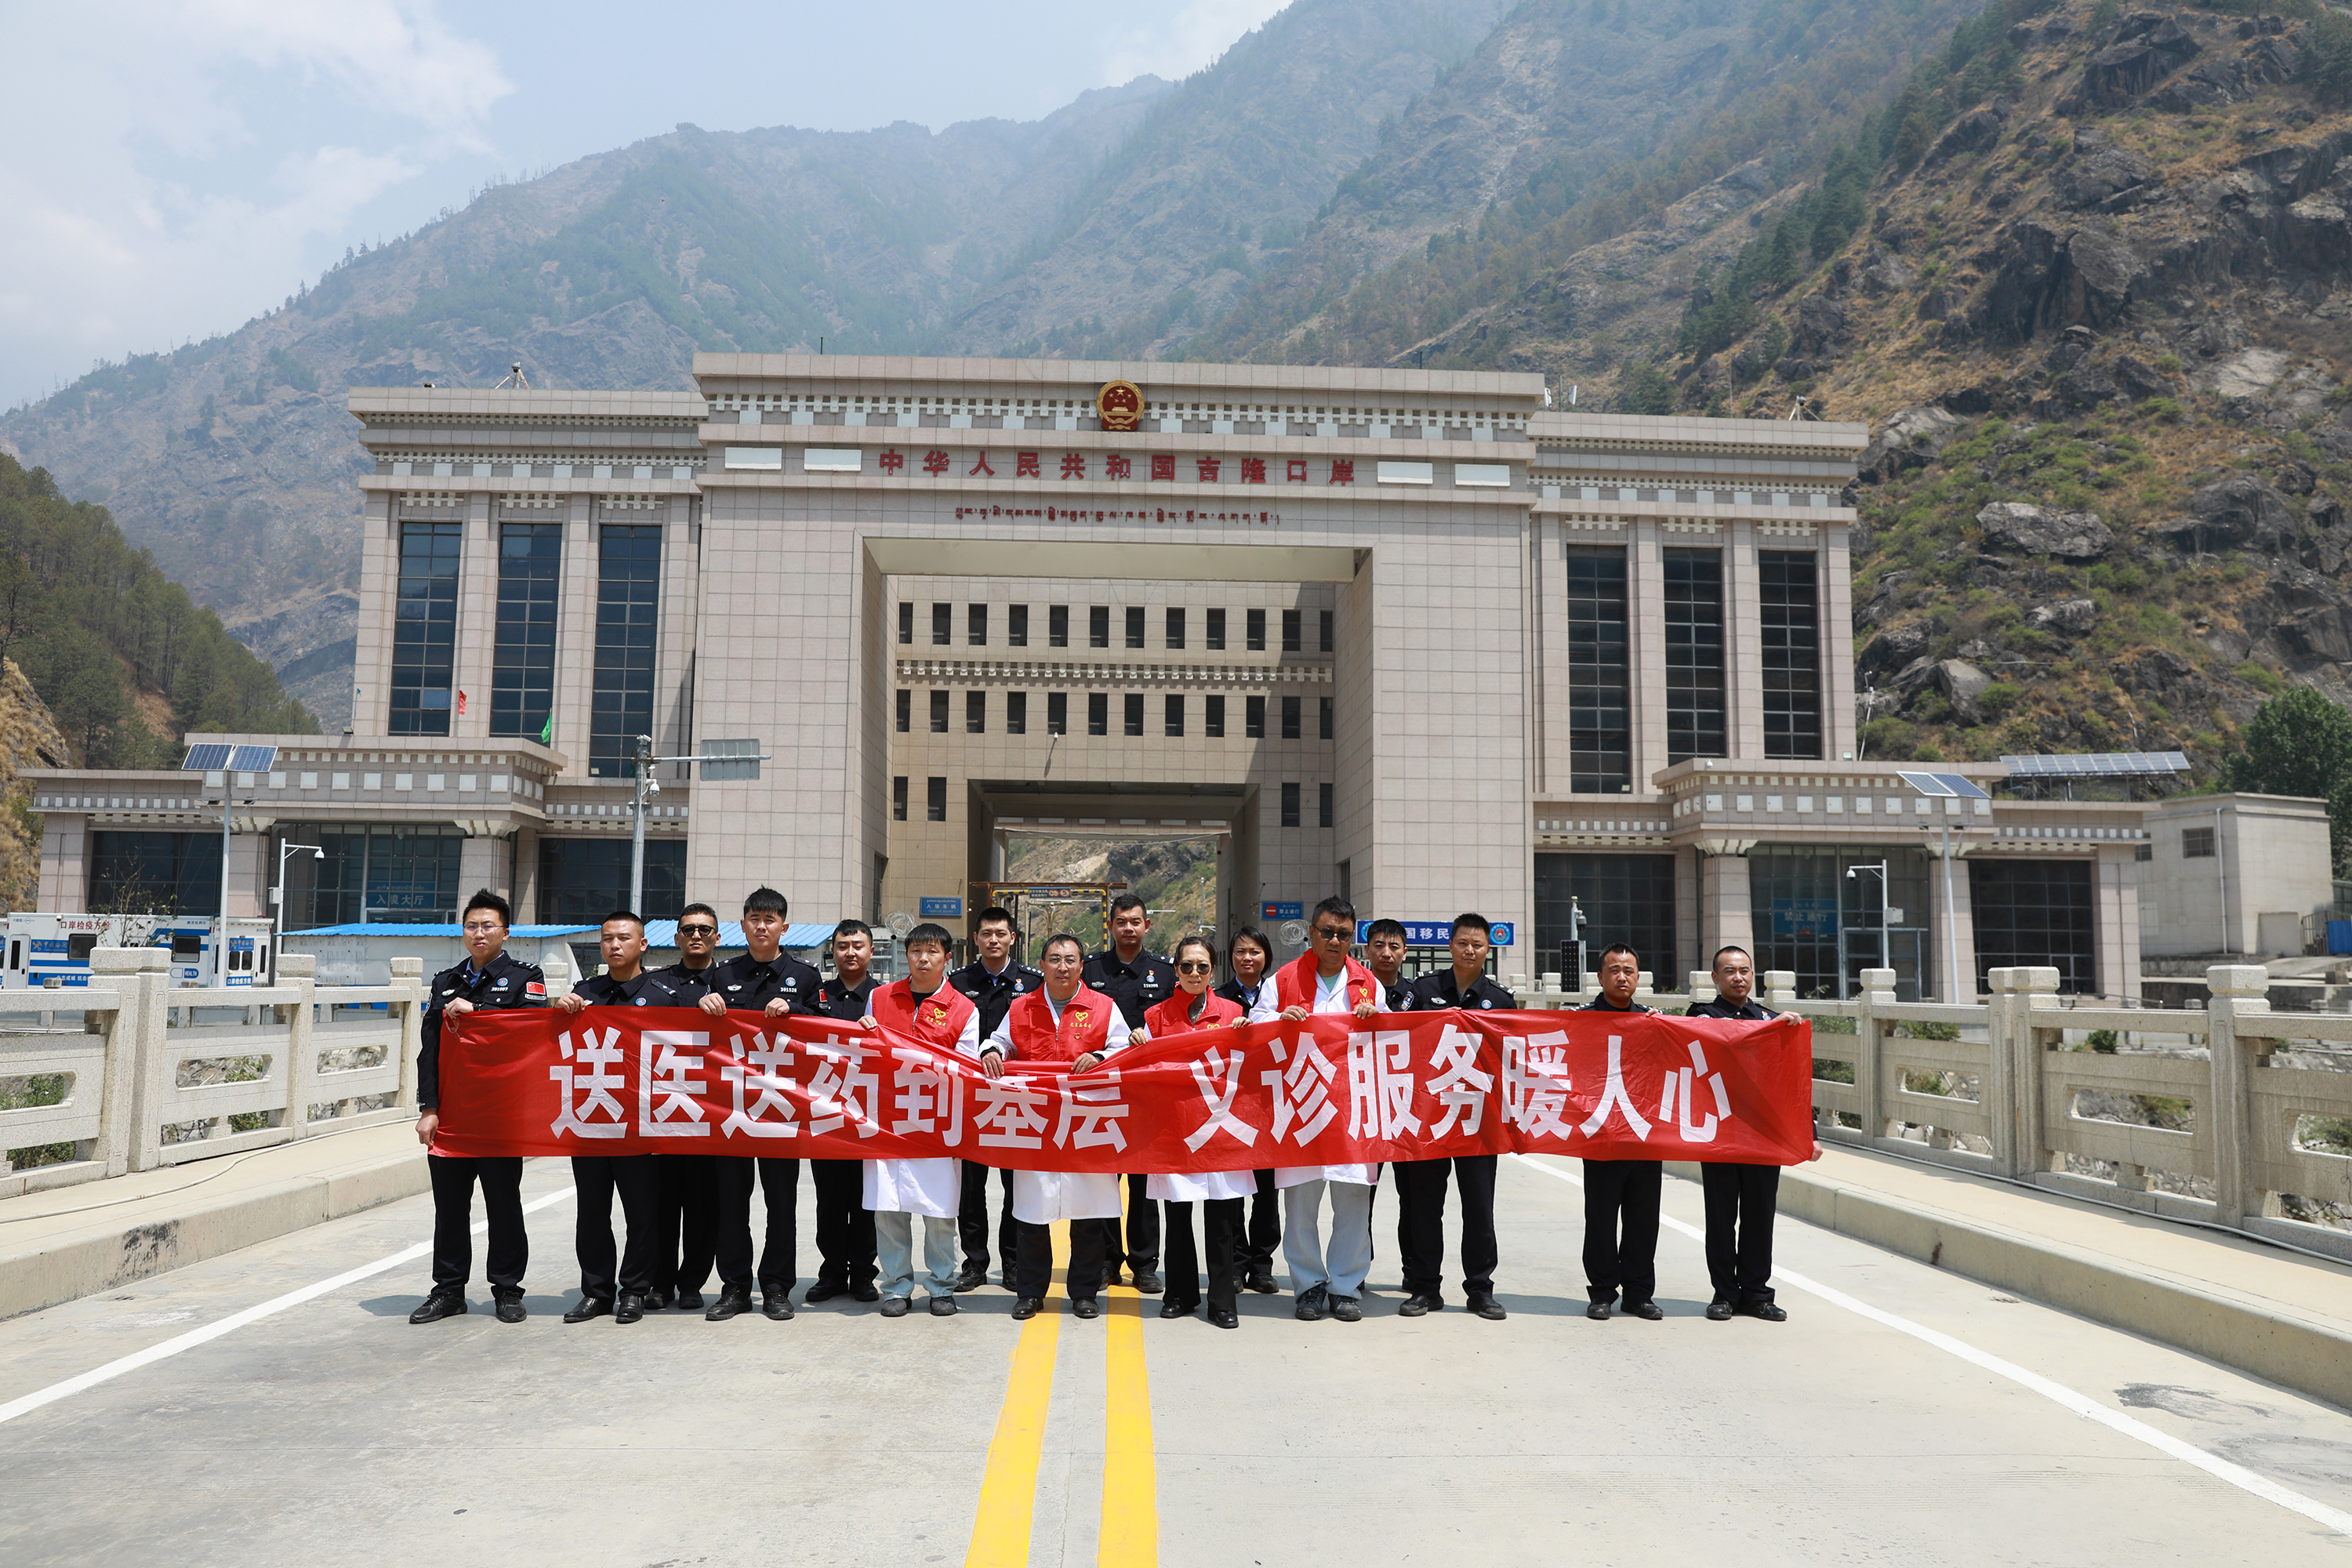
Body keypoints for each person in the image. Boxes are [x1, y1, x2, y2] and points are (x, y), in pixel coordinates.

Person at [409, 889, 546, 1326]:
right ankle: (448, 1291)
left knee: (504, 1205)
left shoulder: (526, 977)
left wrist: (481, 1010)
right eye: (472, 926)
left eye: (488, 926)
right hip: (453, 1114)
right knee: (450, 1209)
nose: (479, 933)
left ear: (506, 932)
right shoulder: (445, 981)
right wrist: (429, 1108)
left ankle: (507, 1290)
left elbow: (532, 1032)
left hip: (501, 1115)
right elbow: (430, 1049)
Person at [551, 910, 694, 1324]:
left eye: (624, 938)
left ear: (642, 945)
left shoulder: (665, 995)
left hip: (642, 1125)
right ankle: (596, 1292)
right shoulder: (584, 994)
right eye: (607, 938)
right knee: (592, 1212)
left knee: (643, 1214)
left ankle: (635, 1290)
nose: (615, 945)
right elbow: (555, 1046)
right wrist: (558, 1010)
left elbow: (688, 1054)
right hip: (592, 1120)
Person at [1250, 895, 1383, 1323]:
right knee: (1301, 1205)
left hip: (1351, 1109)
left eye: (1343, 934)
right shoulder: (1284, 979)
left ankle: (1345, 1287)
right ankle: (1308, 1285)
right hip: (1301, 1107)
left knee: (1353, 1203)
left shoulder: (1367, 983)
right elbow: (1253, 1025)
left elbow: (1390, 1036)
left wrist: (1375, 1017)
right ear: (1311, 933)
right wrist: (1279, 1019)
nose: (1334, 940)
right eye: (1327, 932)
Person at [984, 932, 1129, 1322]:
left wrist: (1099, 1055)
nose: (1062, 967)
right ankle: (1031, 1292)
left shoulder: (1104, 1007)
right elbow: (999, 1042)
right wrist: (993, 1051)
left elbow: (1123, 1049)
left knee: (1089, 1215)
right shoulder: (1022, 1006)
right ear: (1042, 965)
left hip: (1087, 1124)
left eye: (1070, 960)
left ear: (1081, 966)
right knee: (1032, 1213)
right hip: (1037, 1124)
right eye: (1054, 959)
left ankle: (1084, 1292)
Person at [694, 886, 822, 1323]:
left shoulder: (805, 976)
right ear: (743, 924)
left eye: (770, 920)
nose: (762, 926)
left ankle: (777, 1287)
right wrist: (703, 1004)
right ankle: (734, 1288)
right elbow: (699, 1035)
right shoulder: (722, 974)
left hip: (782, 1109)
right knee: (731, 1203)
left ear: (784, 927)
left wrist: (797, 1008)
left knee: (781, 1203)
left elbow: (826, 1031)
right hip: (729, 1108)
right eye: (754, 919)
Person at [1686, 945, 1820, 1323]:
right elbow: (1721, 1038)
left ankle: (1757, 1295)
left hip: (1763, 1134)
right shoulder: (1702, 1015)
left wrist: (1808, 1132)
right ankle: (1724, 1294)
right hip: (1720, 1133)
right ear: (1715, 978)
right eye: (1729, 971)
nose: (1738, 978)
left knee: (1760, 1216)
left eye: (1744, 970)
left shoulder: (1771, 1019)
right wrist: (1769, 1028)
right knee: (1721, 1216)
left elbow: (1793, 1081)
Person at [859, 923, 982, 1317]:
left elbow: (966, 1068)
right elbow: (864, 1055)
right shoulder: (880, 997)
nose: (923, 959)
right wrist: (863, 1033)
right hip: (887, 1121)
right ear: (906, 955)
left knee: (939, 1212)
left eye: (932, 952)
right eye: (916, 951)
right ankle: (896, 1287)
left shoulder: (964, 1009)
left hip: (936, 1124)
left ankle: (942, 1286)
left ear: (948, 958)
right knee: (888, 1210)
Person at [1396, 913, 1512, 1321]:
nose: (1469, 950)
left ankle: (1480, 1290)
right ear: (1450, 945)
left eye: (1477, 944)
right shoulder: (1423, 990)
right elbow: (1397, 1037)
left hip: (1479, 1121)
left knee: (1479, 1208)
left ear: (1487, 950)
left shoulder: (1500, 1000)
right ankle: (1425, 1288)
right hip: (1429, 1119)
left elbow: (1512, 1058)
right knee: (1426, 1207)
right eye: (1462, 943)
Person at [1131, 935, 1250, 1328]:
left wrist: (1248, 1033)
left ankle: (1223, 1302)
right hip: (1175, 1129)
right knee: (1177, 1217)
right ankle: (1180, 1294)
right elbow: (1142, 1067)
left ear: (1213, 971)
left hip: (1219, 1129)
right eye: (1187, 966)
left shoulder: (1234, 1012)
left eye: (1202, 966)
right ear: (1176, 971)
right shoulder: (1156, 1017)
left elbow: (1252, 1064)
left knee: (1222, 1222)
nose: (1194, 973)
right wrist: (1137, 1042)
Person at [1083, 894, 1172, 1294]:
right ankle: (1106, 1260)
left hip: (1148, 1093)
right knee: (1103, 1179)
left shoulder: (1165, 973)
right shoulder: (1090, 970)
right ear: (1111, 926)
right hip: (1100, 1091)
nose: (1129, 928)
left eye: (1135, 921)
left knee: (1143, 1182)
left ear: (1147, 925)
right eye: (1121, 922)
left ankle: (1144, 1263)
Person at [948, 906, 1038, 1292]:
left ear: (1012, 938)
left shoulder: (1033, 983)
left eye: (1001, 933)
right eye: (986, 934)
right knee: (971, 1187)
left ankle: (1013, 1262)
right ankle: (975, 1263)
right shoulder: (957, 982)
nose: (994, 940)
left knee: (1016, 1184)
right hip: (969, 1098)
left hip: (1018, 1100)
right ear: (976, 938)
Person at [647, 903, 724, 1315]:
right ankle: (659, 1283)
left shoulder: (731, 982)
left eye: (704, 930)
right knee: (661, 1204)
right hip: (662, 1110)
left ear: (717, 937)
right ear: (677, 937)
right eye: (689, 929)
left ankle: (692, 1282)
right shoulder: (654, 983)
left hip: (712, 1113)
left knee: (702, 1205)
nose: (696, 935)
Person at [1581, 943, 1663, 1323]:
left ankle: (1638, 1294)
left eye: (1628, 971)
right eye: (1614, 970)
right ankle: (1601, 1293)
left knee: (1643, 1219)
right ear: (1600, 977)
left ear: (1638, 977)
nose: (1621, 977)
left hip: (1643, 1136)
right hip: (1601, 1136)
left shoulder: (1653, 1022)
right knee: (1600, 1219)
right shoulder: (1581, 1021)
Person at [804, 919, 883, 1304]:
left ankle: (864, 1274)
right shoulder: (815, 996)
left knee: (866, 1199)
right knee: (830, 1199)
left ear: (871, 951)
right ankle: (832, 1272)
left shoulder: (884, 999)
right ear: (832, 951)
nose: (850, 952)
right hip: (825, 1113)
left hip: (871, 1116)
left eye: (858, 945)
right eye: (842, 946)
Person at [1217, 925, 1282, 1294]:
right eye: (1240, 952)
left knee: (1267, 1190)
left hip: (1270, 1102)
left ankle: (1262, 1265)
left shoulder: (1280, 995)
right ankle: (1236, 1265)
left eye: (1254, 951)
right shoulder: (1218, 998)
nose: (1247, 958)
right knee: (1233, 1190)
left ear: (1266, 957)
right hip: (1231, 1104)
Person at [1363, 918, 1414, 1011]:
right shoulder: (1354, 990)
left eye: (1394, 947)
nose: (1386, 954)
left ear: (1404, 953)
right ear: (1367, 951)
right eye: (1379, 946)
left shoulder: (1416, 992)